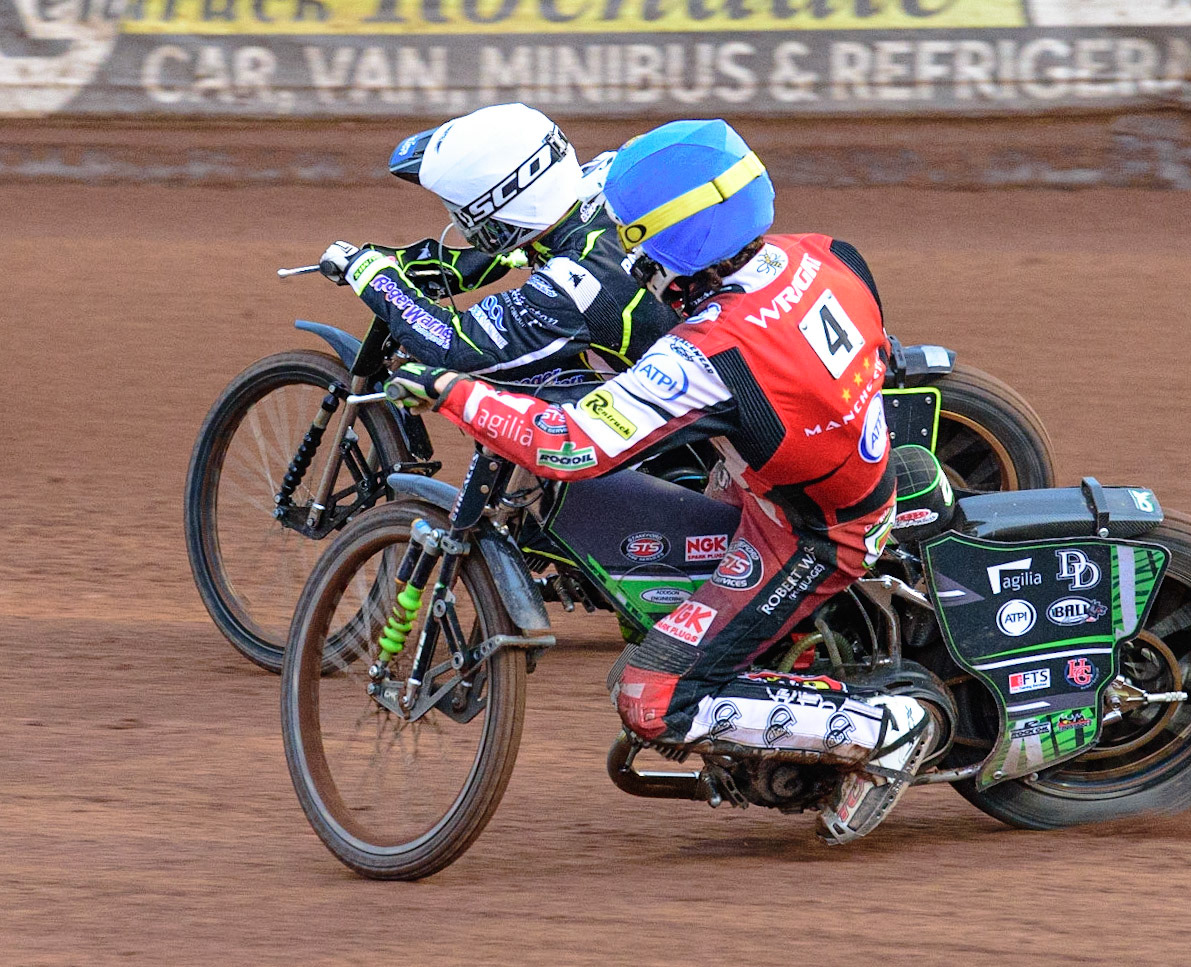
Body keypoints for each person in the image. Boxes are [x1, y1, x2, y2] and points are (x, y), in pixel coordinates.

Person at [348, 118, 939, 845]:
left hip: (811, 529)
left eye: (631, 236)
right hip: (807, 463)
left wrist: (449, 390)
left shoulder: (706, 351)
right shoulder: (820, 253)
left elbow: (568, 446)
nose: (621, 248)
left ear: (674, 244)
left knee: (648, 694)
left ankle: (885, 731)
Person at [316, 102, 679, 387]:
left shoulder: (568, 287)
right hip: (688, 361)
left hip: (676, 431)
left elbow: (455, 345)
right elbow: (519, 239)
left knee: (506, 401)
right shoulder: (603, 176)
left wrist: (376, 277)